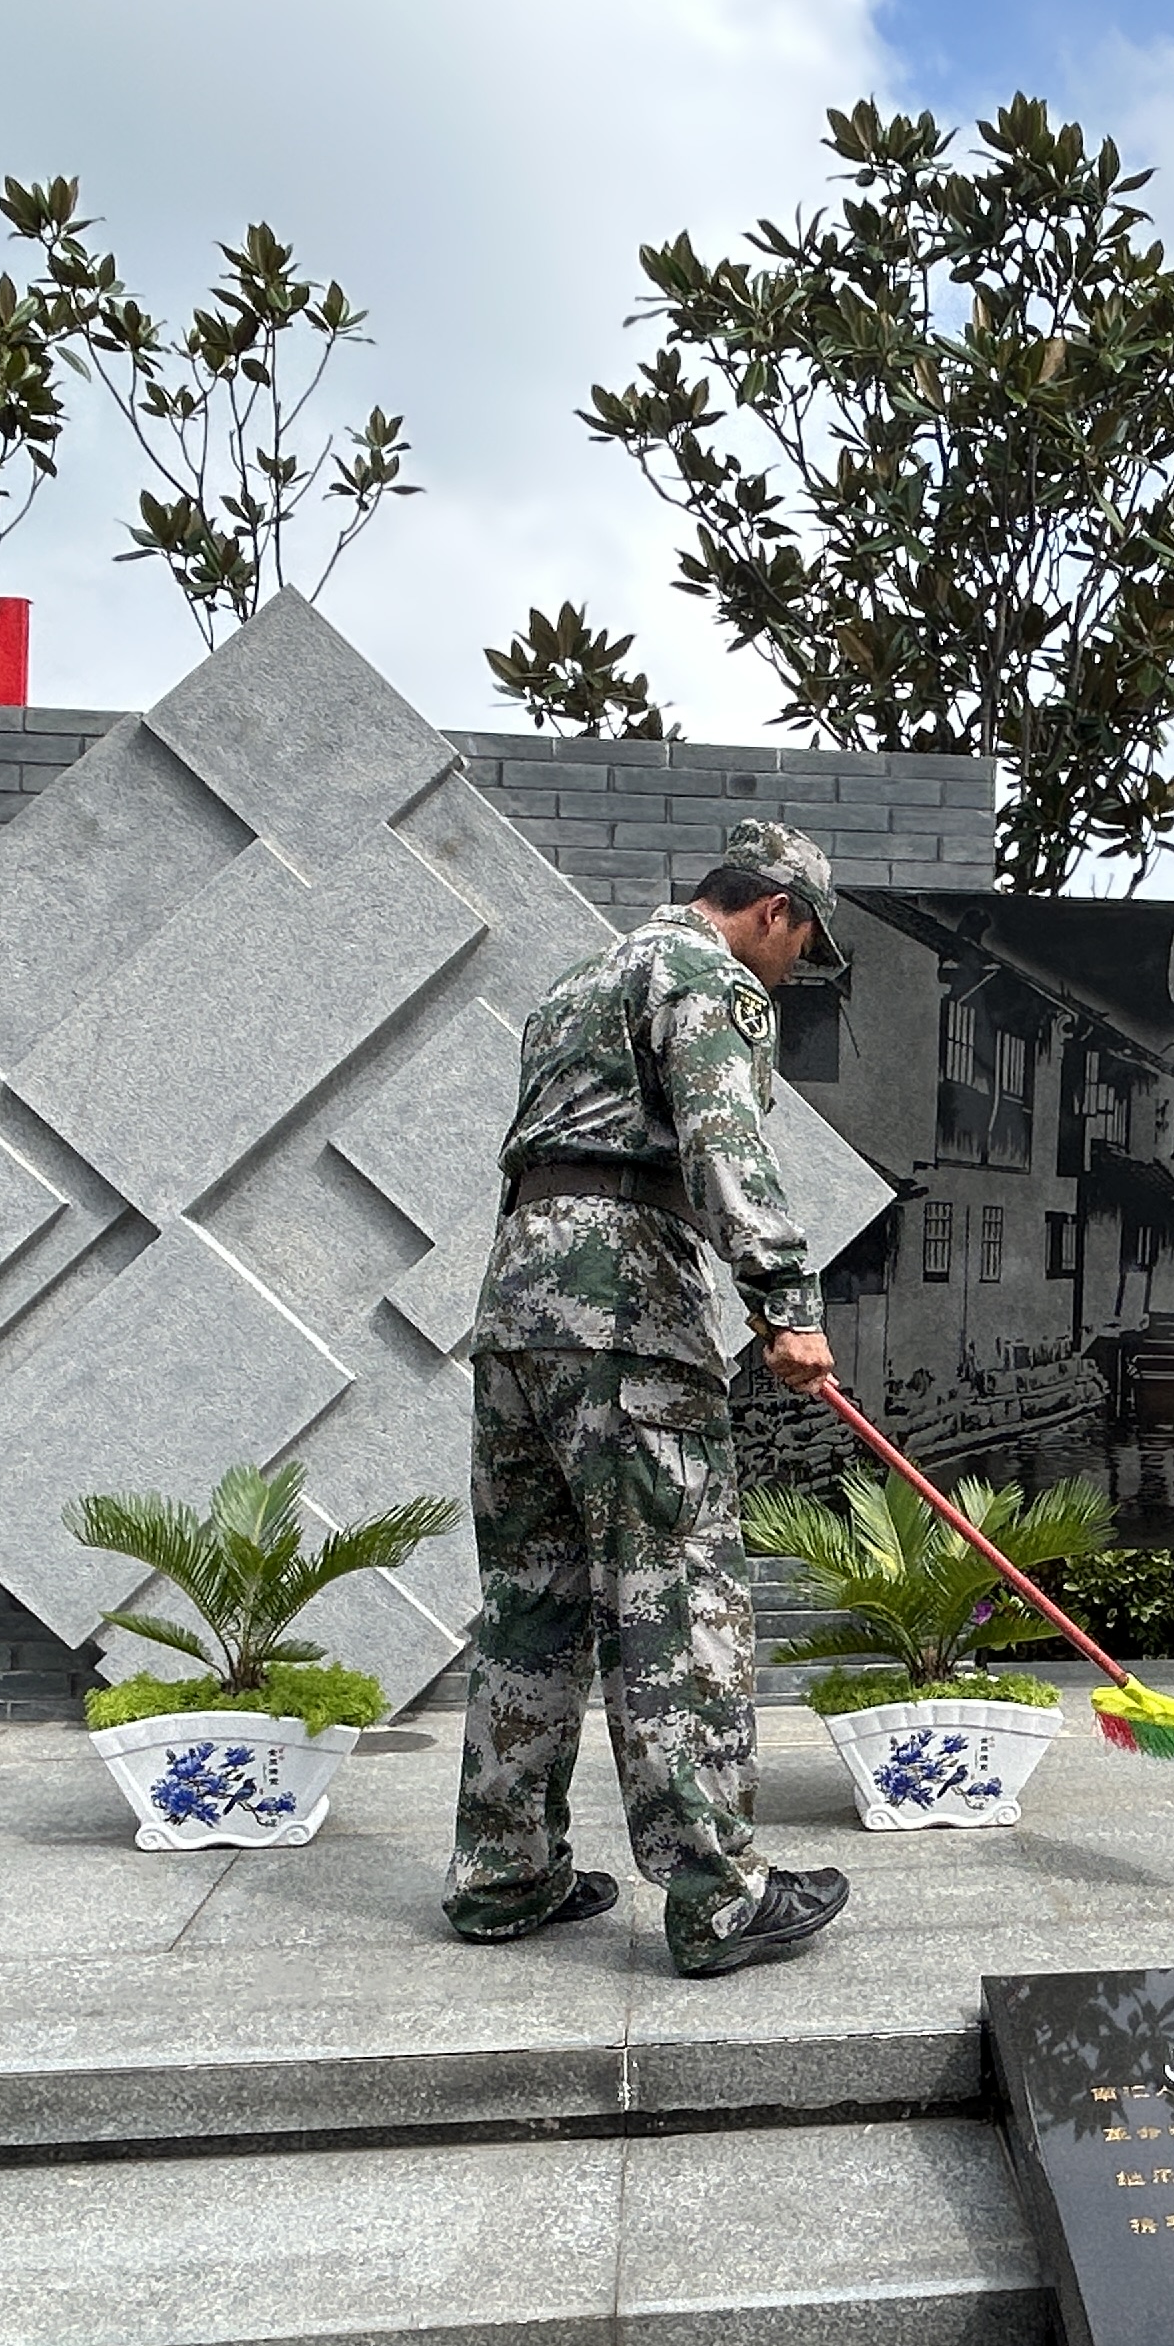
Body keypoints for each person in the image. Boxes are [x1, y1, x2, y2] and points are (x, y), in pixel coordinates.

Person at [448, 818, 854, 1977]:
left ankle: (505, 1876)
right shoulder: (707, 978)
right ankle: (719, 1897)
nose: (794, 971)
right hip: (625, 1308)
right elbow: (728, 1145)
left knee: (531, 1597)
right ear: (775, 910)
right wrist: (785, 1303)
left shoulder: (575, 986)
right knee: (675, 1596)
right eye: (802, 947)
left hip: (518, 1309)